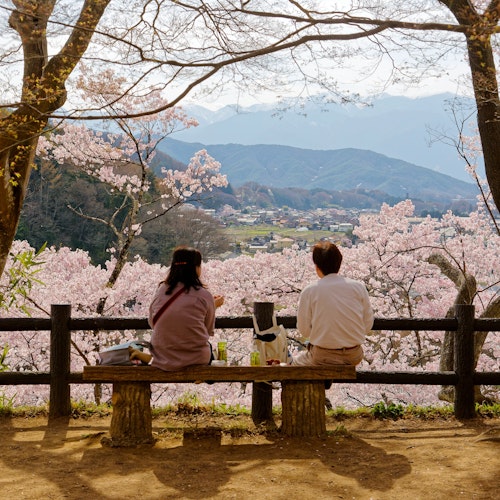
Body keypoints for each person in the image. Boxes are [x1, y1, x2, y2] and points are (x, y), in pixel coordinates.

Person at [129, 246, 224, 370]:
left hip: (162, 358)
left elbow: (153, 323)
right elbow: (207, 330)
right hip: (196, 359)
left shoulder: (162, 290)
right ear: (196, 268)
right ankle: (204, 378)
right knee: (211, 349)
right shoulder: (204, 295)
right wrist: (213, 305)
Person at [292, 241, 373, 367]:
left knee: (294, 365)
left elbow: (304, 331)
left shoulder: (310, 291)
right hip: (354, 355)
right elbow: (367, 325)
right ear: (339, 263)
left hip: (322, 356)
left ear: (317, 266)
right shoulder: (359, 287)